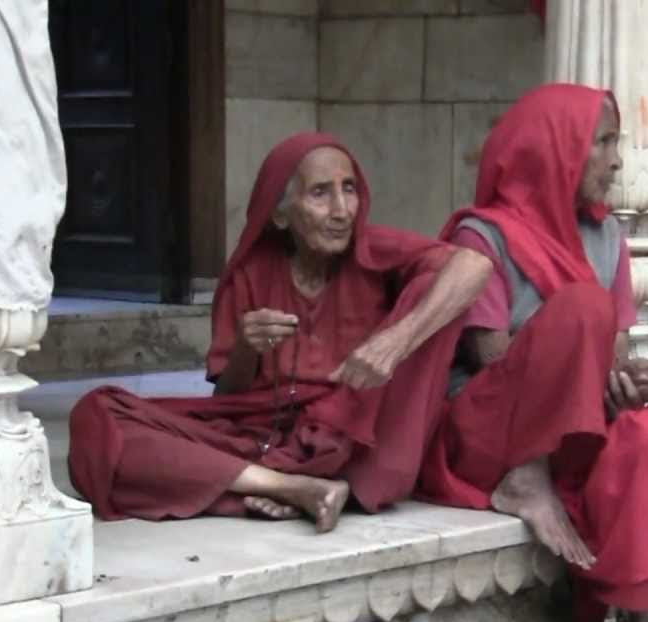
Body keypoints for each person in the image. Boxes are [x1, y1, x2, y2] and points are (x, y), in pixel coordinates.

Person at [68, 132, 492, 532]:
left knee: (435, 287)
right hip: (264, 441)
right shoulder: (252, 273)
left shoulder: (373, 250)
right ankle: (289, 489)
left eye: (350, 188)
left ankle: (246, 488)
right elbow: (230, 402)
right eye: (320, 193)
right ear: (280, 212)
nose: (343, 210)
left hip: (353, 442)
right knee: (98, 418)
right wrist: (246, 351)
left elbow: (475, 265)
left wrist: (393, 343)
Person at [416, 84, 648, 622]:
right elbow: (490, 360)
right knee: (582, 307)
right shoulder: (485, 235)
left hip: (575, 422)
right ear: (557, 149)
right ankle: (526, 480)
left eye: (615, 141)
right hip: (495, 430)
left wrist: (629, 382)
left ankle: (643, 599)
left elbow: (610, 354)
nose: (617, 159)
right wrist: (582, 353)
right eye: (602, 142)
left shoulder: (608, 238)